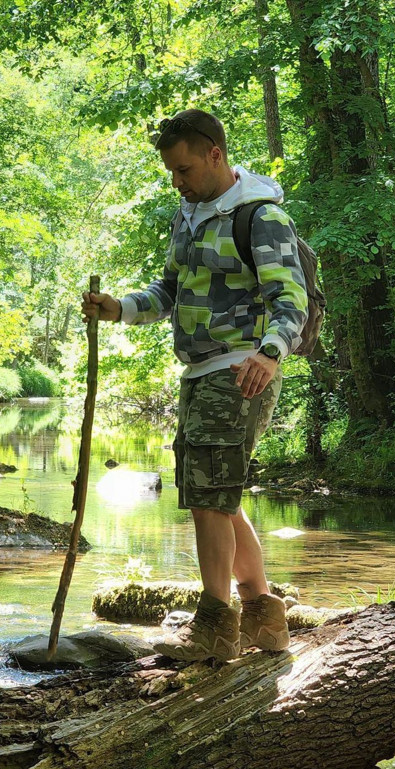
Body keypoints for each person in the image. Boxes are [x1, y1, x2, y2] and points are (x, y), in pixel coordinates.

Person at [81, 109, 308, 663]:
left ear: (215, 154)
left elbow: (291, 299)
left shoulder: (260, 216)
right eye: (171, 172)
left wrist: (270, 355)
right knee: (217, 498)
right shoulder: (188, 216)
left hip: (240, 371)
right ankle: (263, 615)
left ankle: (214, 627)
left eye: (183, 169)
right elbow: (169, 289)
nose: (176, 181)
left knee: (209, 500)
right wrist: (120, 310)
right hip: (199, 372)